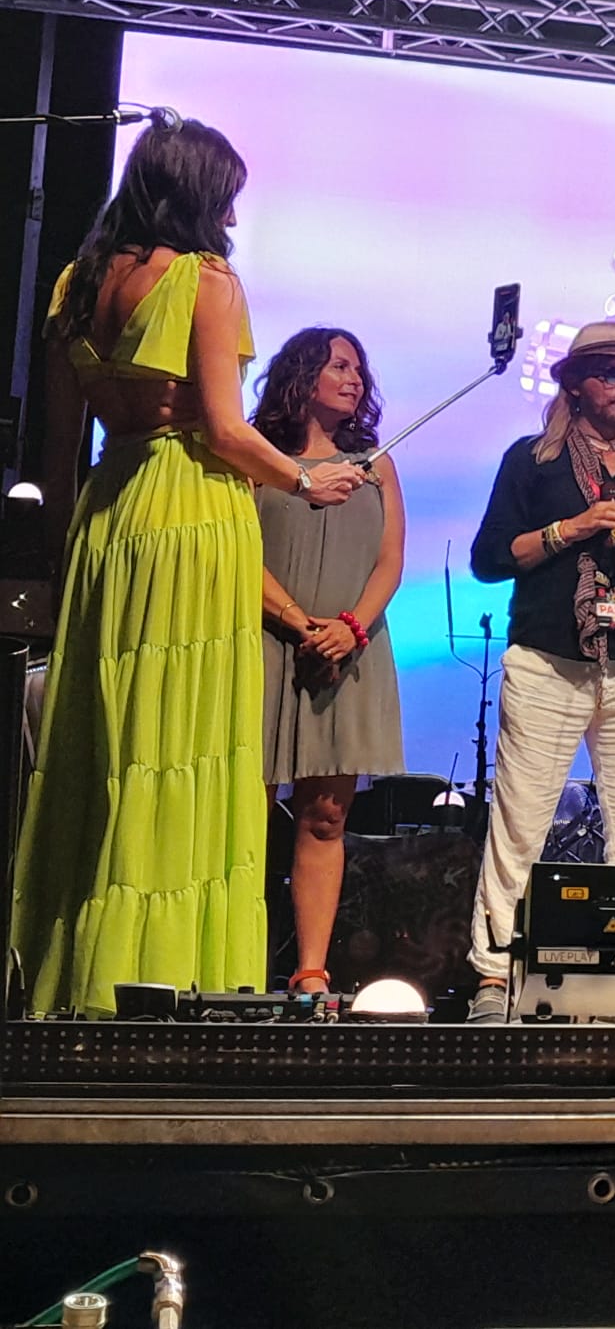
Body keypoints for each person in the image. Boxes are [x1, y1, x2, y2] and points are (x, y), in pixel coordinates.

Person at [11, 113, 366, 1016]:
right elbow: (222, 428)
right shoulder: (206, 281)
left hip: (109, 517)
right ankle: (171, 976)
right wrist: (304, 479)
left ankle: (75, 975)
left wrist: (66, 562)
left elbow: (56, 452)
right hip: (191, 515)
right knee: (184, 741)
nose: (234, 219)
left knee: (106, 742)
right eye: (228, 199)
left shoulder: (75, 284)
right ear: (198, 195)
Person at [465, 322, 615, 1022]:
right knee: (520, 826)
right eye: (609, 373)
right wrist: (572, 529)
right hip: (549, 660)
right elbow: (489, 558)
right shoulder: (532, 461)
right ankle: (493, 978)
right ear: (574, 384)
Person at [250, 327, 408, 996]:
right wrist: (296, 620)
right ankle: (235, 960)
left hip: (349, 653)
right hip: (266, 646)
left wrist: (350, 627)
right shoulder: (257, 455)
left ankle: (310, 971)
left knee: (325, 817)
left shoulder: (377, 464)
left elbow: (390, 561)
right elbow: (237, 553)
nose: (354, 379)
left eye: (359, 369)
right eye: (339, 366)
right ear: (302, 374)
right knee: (246, 817)